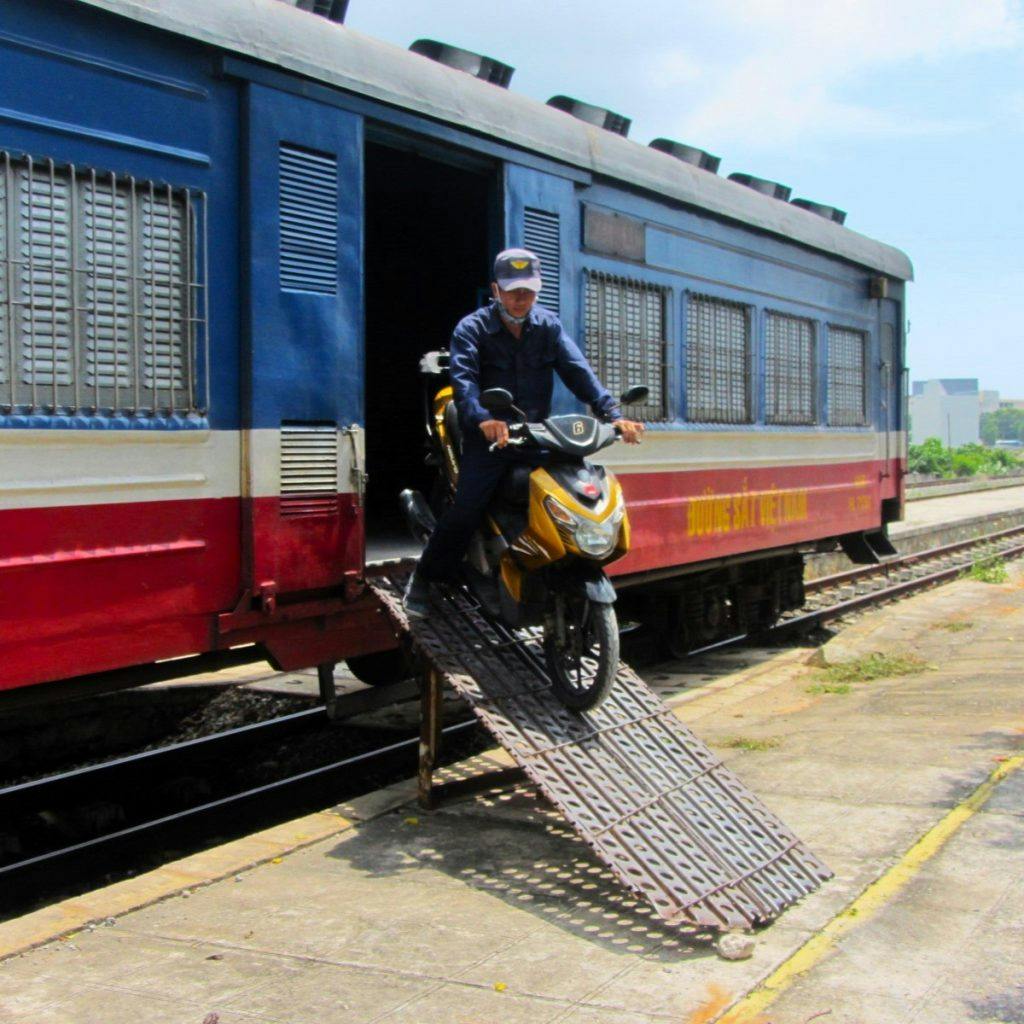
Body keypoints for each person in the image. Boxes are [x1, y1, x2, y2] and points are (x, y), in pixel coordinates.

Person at [404, 248, 645, 616]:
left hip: (534, 436)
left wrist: (612, 413)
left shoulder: (547, 327)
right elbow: (464, 382)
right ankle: (424, 580)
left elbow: (577, 371)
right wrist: (484, 418)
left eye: (528, 291)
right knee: (466, 511)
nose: (521, 299)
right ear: (495, 289)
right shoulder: (472, 329)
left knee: (568, 490)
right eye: (513, 290)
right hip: (489, 440)